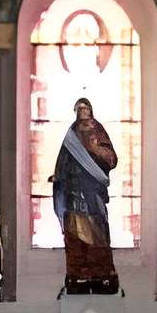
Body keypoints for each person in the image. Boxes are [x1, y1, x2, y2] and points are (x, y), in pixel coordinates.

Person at [53, 95, 121, 294]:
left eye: (85, 109)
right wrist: (58, 177)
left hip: (92, 192)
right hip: (73, 192)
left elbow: (111, 159)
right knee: (74, 233)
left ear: (91, 111)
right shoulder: (72, 134)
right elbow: (63, 160)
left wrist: (95, 149)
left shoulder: (98, 131)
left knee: (97, 234)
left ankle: (102, 275)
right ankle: (78, 274)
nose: (82, 112)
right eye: (79, 109)